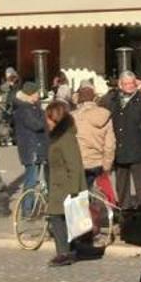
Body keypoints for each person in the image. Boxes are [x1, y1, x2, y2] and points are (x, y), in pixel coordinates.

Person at [44, 100, 97, 266]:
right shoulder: (59, 136)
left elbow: (74, 166)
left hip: (64, 186)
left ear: (55, 118)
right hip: (59, 185)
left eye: (48, 118)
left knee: (57, 218)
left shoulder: (65, 138)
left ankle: (64, 253)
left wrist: (73, 191)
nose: (46, 121)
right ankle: (72, 249)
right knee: (64, 219)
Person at [113, 70, 141, 211]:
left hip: (140, 151)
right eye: (126, 84)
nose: (129, 86)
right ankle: (125, 216)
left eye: (132, 83)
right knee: (122, 190)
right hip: (120, 151)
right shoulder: (114, 100)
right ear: (120, 84)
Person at [73, 83, 116, 188]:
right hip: (98, 162)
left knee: (80, 196)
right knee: (98, 193)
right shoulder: (104, 115)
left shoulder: (73, 117)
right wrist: (107, 164)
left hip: (78, 162)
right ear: (94, 98)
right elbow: (110, 144)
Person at [13, 78, 47, 192]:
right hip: (31, 149)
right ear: (30, 94)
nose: (39, 95)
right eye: (36, 93)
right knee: (31, 180)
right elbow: (36, 125)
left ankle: (28, 206)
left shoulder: (32, 107)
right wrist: (45, 119)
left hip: (34, 148)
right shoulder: (24, 109)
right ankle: (27, 207)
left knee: (31, 178)